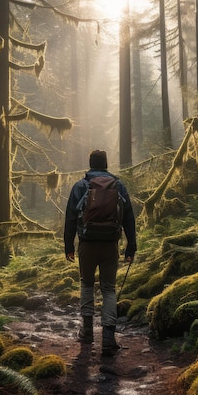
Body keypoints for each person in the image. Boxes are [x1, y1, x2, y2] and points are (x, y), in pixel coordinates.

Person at [64, 149, 137, 356]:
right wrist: (131, 246)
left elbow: (70, 217)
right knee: (109, 289)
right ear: (105, 164)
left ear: (90, 164)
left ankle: (87, 332)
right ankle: (108, 338)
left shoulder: (80, 186)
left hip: (87, 244)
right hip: (110, 245)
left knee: (87, 285)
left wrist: (68, 246)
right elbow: (129, 218)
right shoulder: (118, 185)